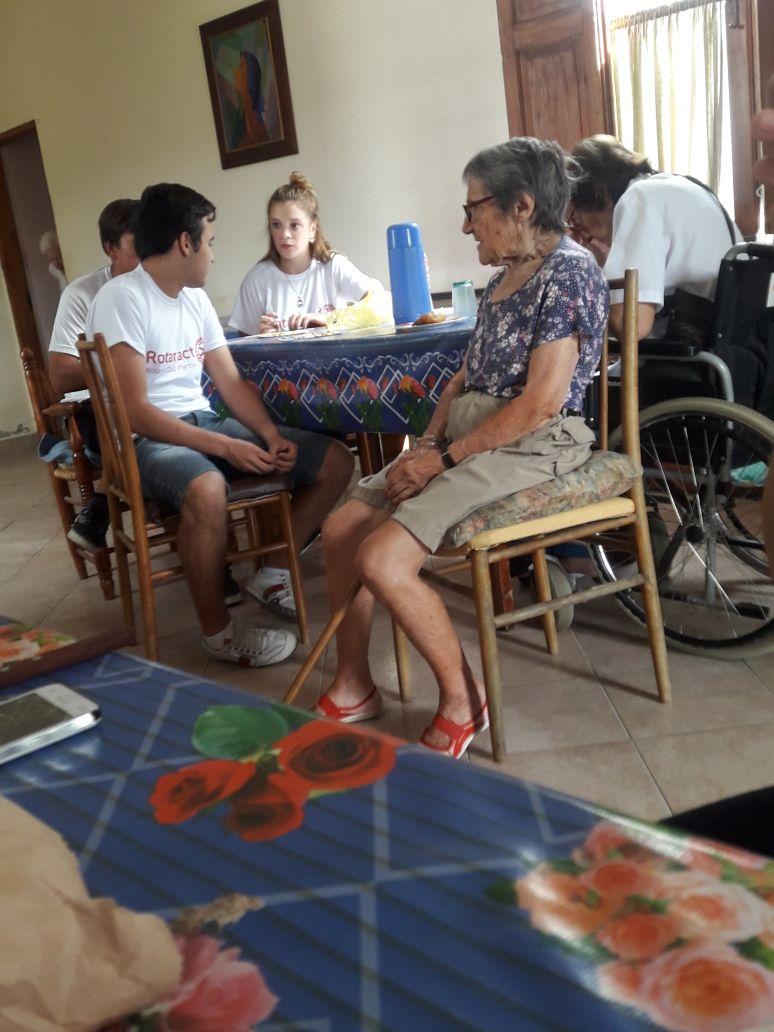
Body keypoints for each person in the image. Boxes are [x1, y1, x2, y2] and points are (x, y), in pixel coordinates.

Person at [315, 138, 608, 757]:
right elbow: (461, 379)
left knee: (383, 560)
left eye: (474, 208)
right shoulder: (503, 278)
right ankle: (355, 683)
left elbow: (541, 403)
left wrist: (444, 461)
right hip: (471, 436)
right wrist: (425, 445)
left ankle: (463, 700)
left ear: (521, 205)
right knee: (341, 530)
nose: (465, 223)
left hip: (535, 441)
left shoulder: (569, 272)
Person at [86, 182, 354, 667]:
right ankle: (219, 632)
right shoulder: (121, 298)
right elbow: (134, 412)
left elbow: (229, 383)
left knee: (334, 460)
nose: (213, 253)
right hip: (143, 439)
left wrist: (269, 436)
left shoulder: (194, 300)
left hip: (203, 422)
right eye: (209, 241)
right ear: (185, 243)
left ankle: (273, 572)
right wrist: (225, 447)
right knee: (207, 489)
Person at [568, 135, 740, 342]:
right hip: (737, 344)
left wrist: (587, 273)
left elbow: (630, 325)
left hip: (695, 350)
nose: (580, 230)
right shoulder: (678, 186)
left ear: (597, 192)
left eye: (575, 215)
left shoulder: (638, 198)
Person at [45, 199, 139, 554]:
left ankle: (100, 504)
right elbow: (60, 375)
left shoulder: (166, 286)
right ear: (111, 249)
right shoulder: (82, 294)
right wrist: (120, 367)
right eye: (138, 244)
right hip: (99, 411)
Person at [228, 172, 384, 335]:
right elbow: (243, 345)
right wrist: (264, 339)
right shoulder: (256, 281)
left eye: (294, 225)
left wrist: (329, 319)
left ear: (312, 229)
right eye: (276, 225)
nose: (284, 234)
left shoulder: (334, 267)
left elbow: (381, 302)